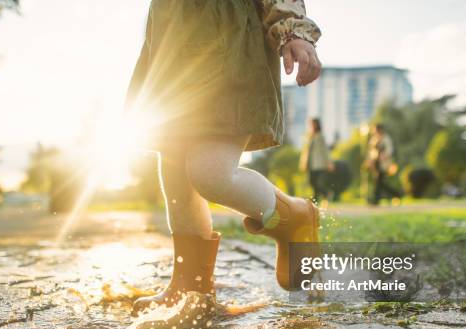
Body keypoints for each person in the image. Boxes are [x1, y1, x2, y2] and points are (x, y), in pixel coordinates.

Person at [125, 0, 322, 313]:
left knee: (210, 173)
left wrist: (294, 30)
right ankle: (191, 286)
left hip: (230, 50)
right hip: (171, 53)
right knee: (176, 178)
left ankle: (293, 218)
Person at [299, 118, 333, 203]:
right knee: (312, 182)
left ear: (317, 124)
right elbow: (306, 151)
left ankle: (325, 194)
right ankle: (316, 199)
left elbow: (325, 150)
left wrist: (329, 162)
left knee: (318, 183)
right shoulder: (309, 136)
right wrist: (303, 163)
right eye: (311, 124)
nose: (312, 126)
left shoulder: (320, 136)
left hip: (320, 164)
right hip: (311, 164)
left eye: (313, 124)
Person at [366, 123, 400, 205]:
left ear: (380, 130)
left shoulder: (386, 139)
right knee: (380, 182)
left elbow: (390, 150)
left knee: (378, 181)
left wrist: (384, 156)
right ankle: (396, 194)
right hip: (375, 164)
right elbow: (371, 151)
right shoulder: (374, 139)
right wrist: (370, 160)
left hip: (384, 164)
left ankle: (375, 200)